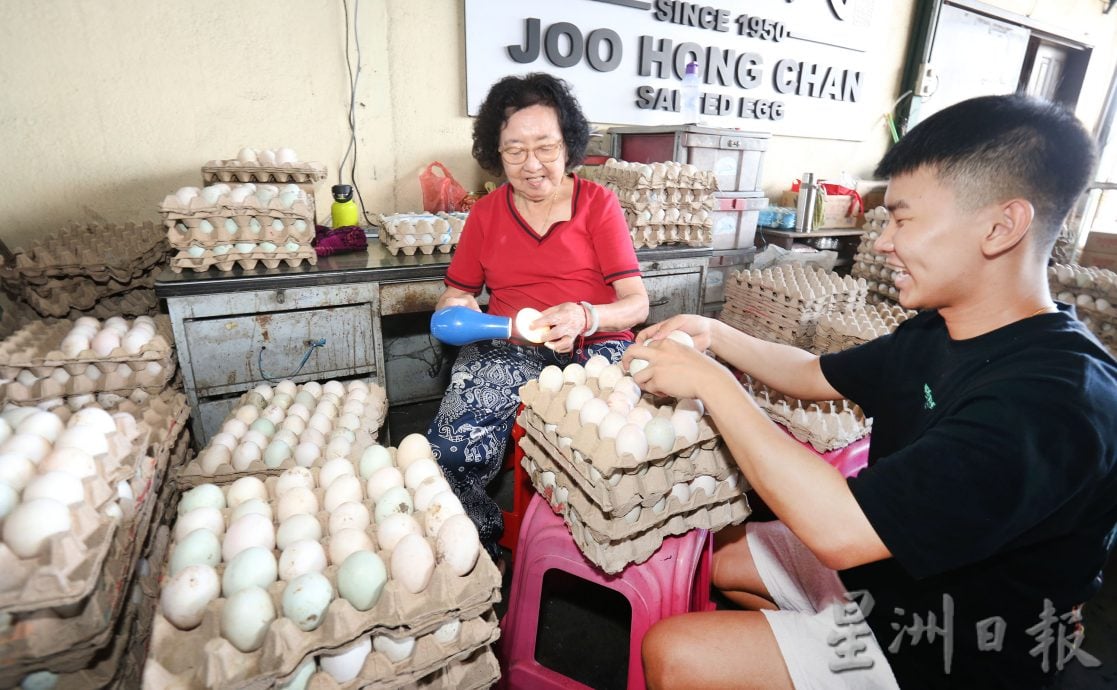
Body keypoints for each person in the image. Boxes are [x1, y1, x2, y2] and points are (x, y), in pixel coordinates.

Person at [625, 94, 1117, 689]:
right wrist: (718, 335)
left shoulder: (1051, 403)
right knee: (724, 561)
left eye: (904, 220)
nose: (884, 242)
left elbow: (841, 532)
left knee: (675, 653)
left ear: (1001, 226)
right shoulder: (945, 325)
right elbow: (813, 374)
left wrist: (715, 386)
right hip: (891, 581)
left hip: (956, 648)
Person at [426, 73, 649, 563]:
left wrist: (586, 315)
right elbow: (457, 292)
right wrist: (454, 308)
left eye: (546, 147)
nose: (532, 166)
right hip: (508, 345)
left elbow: (637, 302)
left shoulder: (598, 204)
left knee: (607, 451)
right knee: (448, 452)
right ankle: (481, 549)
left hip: (596, 346)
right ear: (495, 152)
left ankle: (586, 553)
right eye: (515, 151)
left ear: (568, 145)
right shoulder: (484, 214)